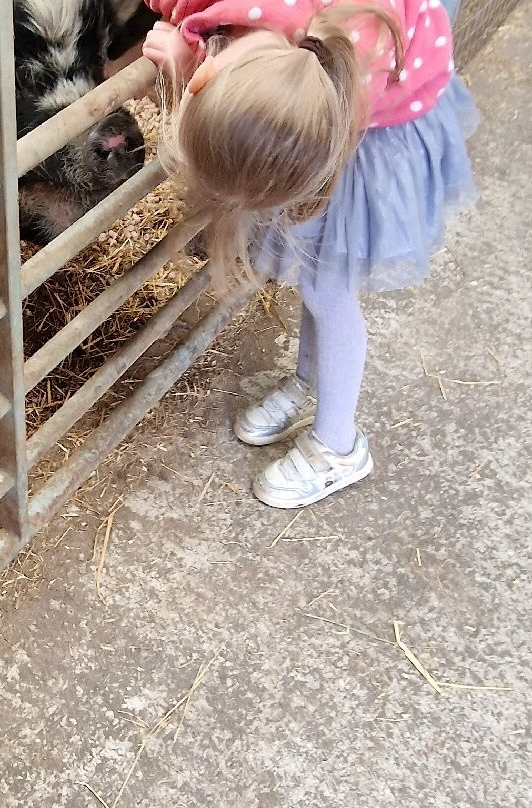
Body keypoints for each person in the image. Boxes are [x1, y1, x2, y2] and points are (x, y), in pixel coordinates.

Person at [142, 0, 477, 508]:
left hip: (375, 129)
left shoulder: (352, 46)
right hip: (316, 112)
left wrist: (182, 62)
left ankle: (339, 446)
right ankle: (309, 381)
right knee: (316, 270)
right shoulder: (274, 31)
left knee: (327, 284)